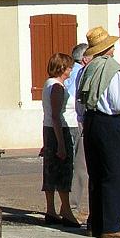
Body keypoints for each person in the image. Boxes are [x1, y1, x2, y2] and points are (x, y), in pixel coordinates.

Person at [77, 26, 120, 238]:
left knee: (96, 173)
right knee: (114, 173)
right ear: (108, 47)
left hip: (91, 122)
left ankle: (95, 222)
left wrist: (85, 120)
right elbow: (119, 103)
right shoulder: (113, 70)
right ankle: (111, 225)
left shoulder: (86, 70)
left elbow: (80, 102)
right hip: (111, 123)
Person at [41, 52, 79, 227]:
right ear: (62, 68)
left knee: (50, 170)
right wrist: (62, 145)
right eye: (69, 66)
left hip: (49, 130)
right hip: (59, 130)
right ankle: (65, 210)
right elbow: (56, 115)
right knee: (63, 170)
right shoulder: (57, 86)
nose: (72, 69)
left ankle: (51, 210)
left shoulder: (49, 84)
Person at [65, 43, 91, 218]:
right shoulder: (79, 74)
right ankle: (73, 207)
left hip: (68, 123)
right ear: (84, 58)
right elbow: (77, 100)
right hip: (76, 123)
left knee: (72, 166)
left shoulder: (70, 72)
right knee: (80, 167)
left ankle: (69, 207)